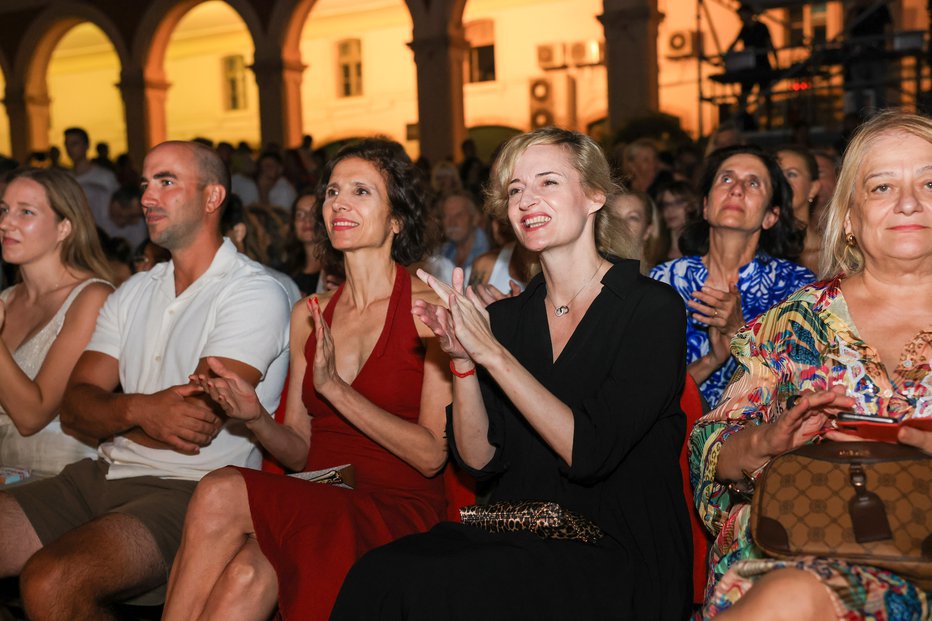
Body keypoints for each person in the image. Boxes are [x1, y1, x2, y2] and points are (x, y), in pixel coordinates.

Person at [331, 127, 692, 621]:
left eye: (547, 183)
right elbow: (479, 460)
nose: (526, 200)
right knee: (378, 574)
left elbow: (589, 451)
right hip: (511, 529)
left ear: (593, 196)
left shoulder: (651, 309)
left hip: (613, 546)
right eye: (515, 189)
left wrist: (493, 355)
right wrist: (461, 361)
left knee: (448, 589)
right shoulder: (509, 318)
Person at [162, 138, 452, 621]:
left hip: (396, 507)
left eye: (362, 192)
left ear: (397, 218)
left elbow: (430, 455)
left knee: (219, 490)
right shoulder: (309, 314)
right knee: (245, 577)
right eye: (333, 191)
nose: (339, 202)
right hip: (323, 494)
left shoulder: (429, 310)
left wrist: (336, 390)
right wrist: (254, 416)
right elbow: (300, 448)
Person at [0, 140, 291, 618]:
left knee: (52, 579)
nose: (147, 197)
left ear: (213, 197)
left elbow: (193, 424)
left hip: (191, 490)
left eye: (167, 182)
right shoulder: (135, 291)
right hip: (101, 472)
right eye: (145, 183)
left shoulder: (253, 292)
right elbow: (74, 409)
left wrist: (111, 415)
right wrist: (140, 410)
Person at [690, 110, 932, 620]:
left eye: (929, 182)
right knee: (795, 592)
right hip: (804, 550)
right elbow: (710, 456)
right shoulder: (794, 322)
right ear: (848, 216)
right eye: (882, 187)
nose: (909, 202)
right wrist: (766, 441)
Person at [651, 145, 813, 408]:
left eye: (753, 183)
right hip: (675, 440)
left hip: (757, 440)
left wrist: (739, 332)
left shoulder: (796, 287)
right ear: (705, 206)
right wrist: (711, 360)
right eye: (726, 178)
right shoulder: (665, 281)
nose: (736, 189)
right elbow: (646, 395)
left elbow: (798, 392)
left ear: (771, 216)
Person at [0, 168, 113, 476]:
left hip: (57, 478)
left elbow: (32, 416)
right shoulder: (8, 299)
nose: (6, 223)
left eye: (26, 212)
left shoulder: (92, 298)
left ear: (64, 227)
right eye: (4, 210)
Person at [64, 127, 120, 235]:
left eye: (74, 144)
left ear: (87, 145)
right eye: (67, 144)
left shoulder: (105, 177)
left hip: (104, 236)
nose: (70, 149)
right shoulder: (66, 179)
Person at [775, 145, 822, 272]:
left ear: (813, 188)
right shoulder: (758, 253)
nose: (782, 183)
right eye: (776, 175)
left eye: (791, 174)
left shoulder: (838, 254)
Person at [605, 190, 667, 273]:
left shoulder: (664, 275)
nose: (622, 224)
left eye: (632, 218)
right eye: (615, 217)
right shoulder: (598, 271)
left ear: (648, 230)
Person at [282, 191, 323, 295]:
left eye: (314, 214)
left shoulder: (337, 272)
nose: (307, 220)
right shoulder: (284, 271)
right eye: (300, 214)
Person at [439, 190, 490, 270]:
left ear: (475, 218)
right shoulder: (443, 251)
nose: (451, 223)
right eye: (446, 216)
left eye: (459, 215)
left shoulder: (490, 252)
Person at [657, 180, 701, 261]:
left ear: (693, 206)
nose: (670, 210)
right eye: (666, 205)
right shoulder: (655, 250)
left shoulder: (701, 249)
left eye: (678, 203)